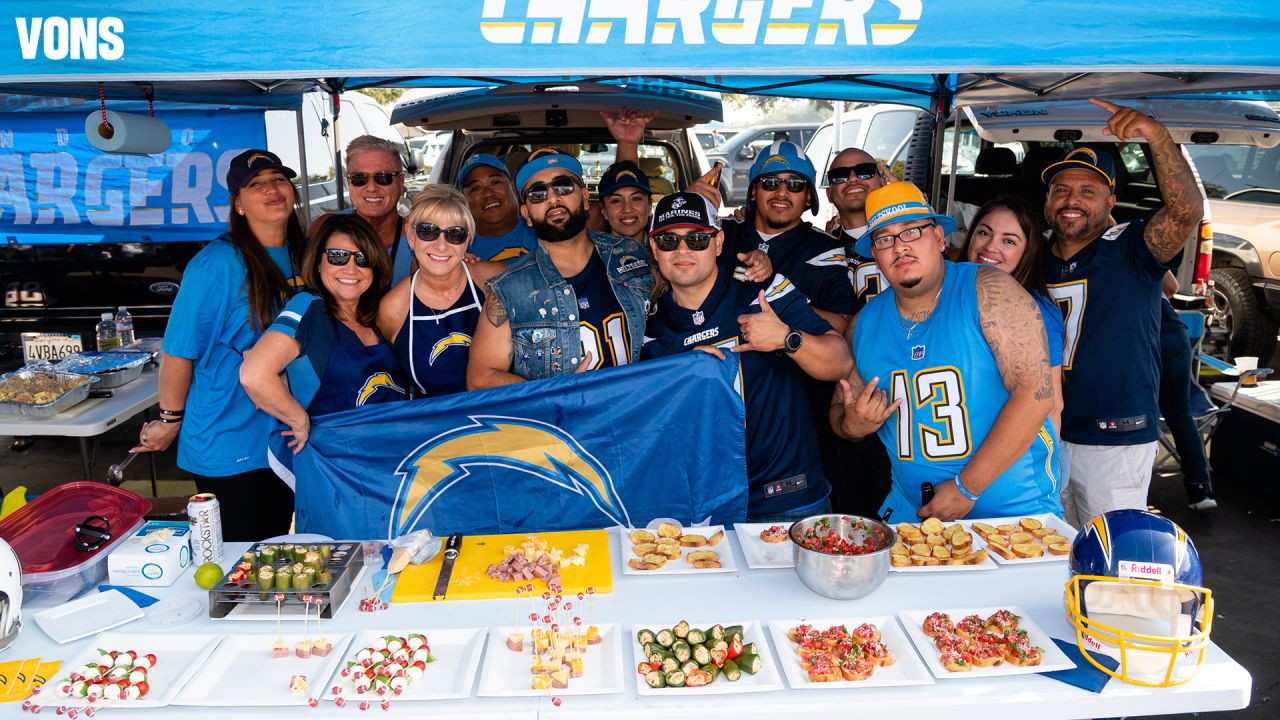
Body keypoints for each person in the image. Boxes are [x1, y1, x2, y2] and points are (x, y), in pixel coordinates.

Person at [832, 181, 1062, 521]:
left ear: (940, 238)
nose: (900, 247)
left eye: (912, 232)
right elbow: (839, 411)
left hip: (1014, 516)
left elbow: (1036, 393)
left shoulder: (990, 289)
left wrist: (967, 487)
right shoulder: (864, 324)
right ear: (874, 255)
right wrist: (852, 424)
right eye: (884, 239)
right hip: (913, 516)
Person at [1042, 99, 1204, 527]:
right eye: (1061, 190)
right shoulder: (1033, 258)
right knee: (1049, 555)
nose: (1071, 200)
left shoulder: (1131, 246)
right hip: (1044, 433)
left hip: (1114, 436)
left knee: (1112, 558)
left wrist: (1158, 138)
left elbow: (1186, 213)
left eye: (1087, 191)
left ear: (1110, 200)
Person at [643, 192, 853, 521]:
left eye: (697, 239)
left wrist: (787, 338)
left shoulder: (762, 292)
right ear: (654, 249)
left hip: (787, 496)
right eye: (669, 240)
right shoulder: (649, 329)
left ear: (718, 242)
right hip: (705, 502)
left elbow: (840, 360)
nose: (682, 250)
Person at [133, 149, 304, 541]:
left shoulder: (304, 254)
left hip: (282, 435)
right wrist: (169, 420)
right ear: (238, 204)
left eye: (278, 179)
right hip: (227, 439)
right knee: (235, 561)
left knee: (276, 545)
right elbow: (179, 352)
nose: (272, 190)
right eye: (256, 184)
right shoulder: (214, 264)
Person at [467, 150, 654, 386]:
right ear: (525, 213)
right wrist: (555, 393)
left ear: (585, 197)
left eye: (563, 186)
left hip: (640, 414)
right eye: (537, 193)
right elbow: (479, 378)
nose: (552, 198)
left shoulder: (629, 254)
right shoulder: (507, 290)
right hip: (562, 422)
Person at [241, 213, 408, 477]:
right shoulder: (307, 307)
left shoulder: (377, 311)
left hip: (388, 462)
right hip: (336, 471)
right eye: (338, 256)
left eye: (362, 259)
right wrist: (298, 419)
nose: (351, 269)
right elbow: (254, 374)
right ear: (318, 261)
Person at [378, 185, 505, 397]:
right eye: (428, 231)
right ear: (411, 235)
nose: (441, 246)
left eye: (455, 234)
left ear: (468, 239)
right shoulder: (393, 308)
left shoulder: (496, 281)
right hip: (437, 427)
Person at [960, 195, 1065, 434]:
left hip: (1017, 460)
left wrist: (1043, 469)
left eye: (1009, 241)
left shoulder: (1037, 311)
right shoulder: (948, 294)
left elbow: (1051, 407)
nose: (990, 247)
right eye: (984, 233)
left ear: (1028, 251)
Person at [309, 135, 413, 285]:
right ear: (349, 183)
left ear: (401, 182)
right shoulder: (322, 229)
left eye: (383, 177)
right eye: (359, 178)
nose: (371, 188)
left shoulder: (421, 243)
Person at [1157, 271, 1217, 510]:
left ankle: (1134, 487)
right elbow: (1172, 286)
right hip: (1173, 330)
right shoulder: (1141, 249)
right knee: (1180, 413)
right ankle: (1200, 489)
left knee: (1139, 408)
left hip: (1143, 331)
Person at [825, 147, 894, 305]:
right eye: (839, 176)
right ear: (829, 194)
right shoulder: (821, 249)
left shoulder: (912, 236)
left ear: (883, 183)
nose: (853, 179)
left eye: (864, 171)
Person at [457, 153, 539, 263]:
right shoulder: (458, 249)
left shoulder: (542, 228)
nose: (488, 193)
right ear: (465, 200)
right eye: (476, 188)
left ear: (513, 186)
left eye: (495, 182)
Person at [596, 160, 652, 241]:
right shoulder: (588, 252)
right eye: (617, 201)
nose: (627, 209)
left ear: (649, 205)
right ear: (603, 210)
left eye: (636, 199)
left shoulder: (669, 249)